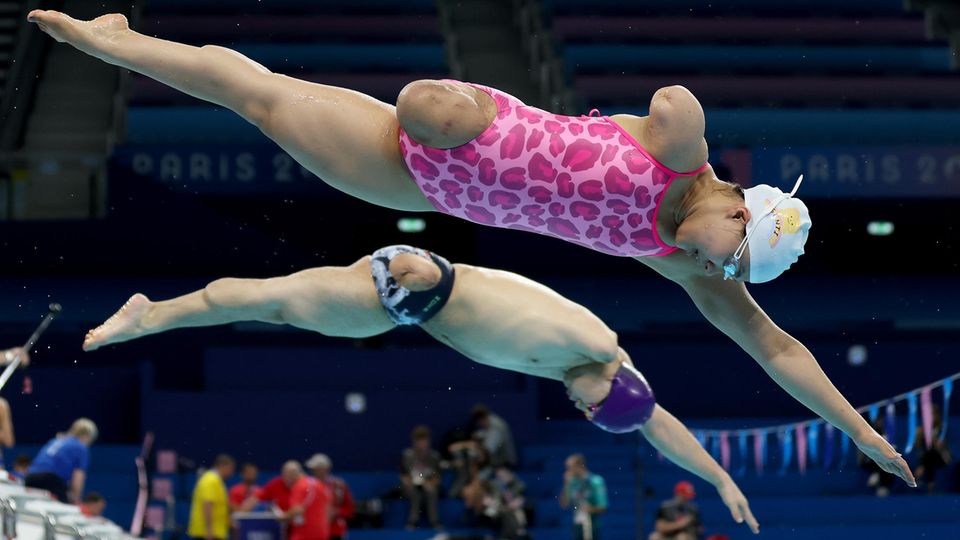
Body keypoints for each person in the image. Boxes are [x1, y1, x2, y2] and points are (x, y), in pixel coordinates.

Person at [29, 11, 912, 490]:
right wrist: (664, 140)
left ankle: (123, 42)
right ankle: (116, 41)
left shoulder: (678, 257)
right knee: (405, 104)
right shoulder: (681, 146)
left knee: (263, 102)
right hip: (478, 130)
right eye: (731, 252)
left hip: (423, 186)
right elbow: (672, 100)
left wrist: (861, 429)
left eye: (728, 274)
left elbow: (775, 345)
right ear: (739, 206)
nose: (716, 269)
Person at [82, 245, 760, 533]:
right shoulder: (594, 344)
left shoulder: (585, 370)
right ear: (614, 383)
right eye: (591, 404)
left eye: (586, 411)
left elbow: (655, 423)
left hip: (407, 305)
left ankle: (156, 315)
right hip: (422, 284)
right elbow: (506, 288)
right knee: (277, 304)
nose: (578, 406)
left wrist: (721, 481)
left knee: (282, 307)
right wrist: (427, 274)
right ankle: (153, 315)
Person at [25, 418, 97, 502]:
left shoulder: (55, 441)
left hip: (30, 478)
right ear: (87, 436)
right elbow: (77, 480)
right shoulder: (81, 448)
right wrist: (76, 501)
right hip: (50, 480)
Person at [400, 425, 443, 530]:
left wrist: (430, 484)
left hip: (428, 486)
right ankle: (413, 521)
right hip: (412, 487)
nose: (422, 444)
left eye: (424, 440)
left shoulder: (434, 457)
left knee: (431, 491)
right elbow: (404, 476)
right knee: (416, 492)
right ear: (414, 442)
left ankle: (434, 521)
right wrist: (410, 483)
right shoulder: (407, 456)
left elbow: (437, 477)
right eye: (419, 441)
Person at [306, 453, 355, 540]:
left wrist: (336, 512)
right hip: (312, 531)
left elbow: (349, 509)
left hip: (335, 531)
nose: (314, 471)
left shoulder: (339, 486)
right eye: (313, 469)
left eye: (317, 469)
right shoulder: (305, 486)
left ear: (326, 469)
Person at [279, 460, 332, 540]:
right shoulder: (319, 484)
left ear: (291, 474)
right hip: (322, 533)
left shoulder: (299, 487)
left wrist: (283, 516)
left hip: (304, 535)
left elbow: (297, 510)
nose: (284, 480)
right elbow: (328, 508)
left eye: (285, 476)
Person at [560, 454, 608, 540]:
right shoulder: (572, 482)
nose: (568, 471)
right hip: (577, 526)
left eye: (570, 467)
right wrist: (566, 484)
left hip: (592, 526)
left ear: (579, 466)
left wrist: (589, 509)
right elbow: (564, 504)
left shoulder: (595, 481)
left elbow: (603, 507)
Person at [187, 454, 235, 540]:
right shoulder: (211, 480)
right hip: (208, 534)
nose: (231, 473)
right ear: (223, 466)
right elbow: (207, 504)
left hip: (214, 532)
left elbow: (219, 506)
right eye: (231, 469)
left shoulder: (216, 480)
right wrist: (209, 529)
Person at [471, 404, 517, 470]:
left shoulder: (496, 427)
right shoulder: (493, 421)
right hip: (499, 464)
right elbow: (486, 434)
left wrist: (474, 447)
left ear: (482, 418)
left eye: (478, 420)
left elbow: (487, 451)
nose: (478, 424)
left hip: (506, 466)